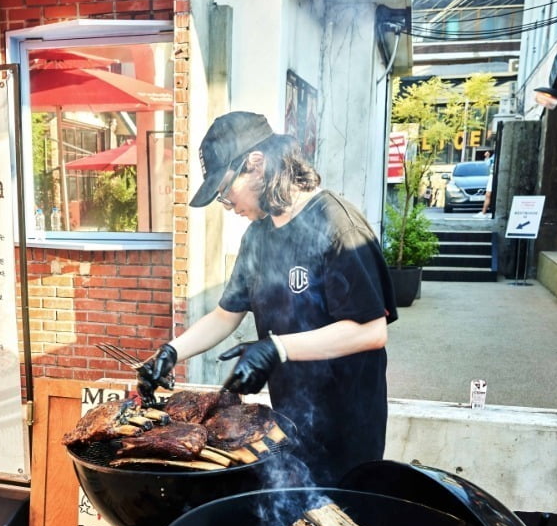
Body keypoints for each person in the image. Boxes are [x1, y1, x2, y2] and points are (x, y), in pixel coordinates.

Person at [137, 111, 398, 486]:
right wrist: (171, 352)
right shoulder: (258, 236)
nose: (229, 206)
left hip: (348, 424)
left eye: (226, 193)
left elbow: (370, 331)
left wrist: (277, 348)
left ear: (256, 164)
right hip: (290, 417)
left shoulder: (338, 225)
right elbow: (225, 315)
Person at [477, 151, 494, 218]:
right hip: (492, 175)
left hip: (493, 176)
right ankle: (484, 212)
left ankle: (484, 213)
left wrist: (487, 157)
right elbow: (488, 163)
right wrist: (487, 157)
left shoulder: (496, 155)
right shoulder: (495, 155)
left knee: (488, 195)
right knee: (488, 195)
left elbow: (488, 164)